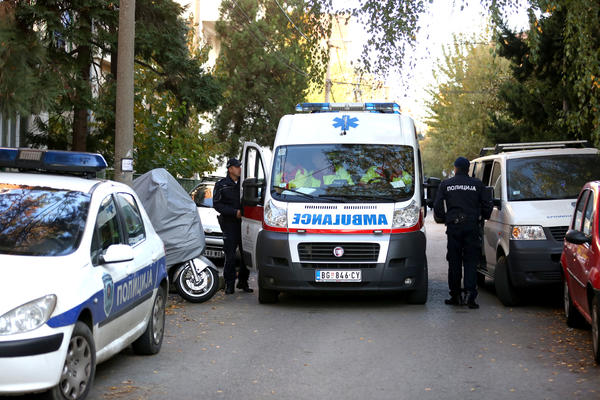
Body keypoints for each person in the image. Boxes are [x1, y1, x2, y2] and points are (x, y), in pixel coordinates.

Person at [433, 156, 492, 309]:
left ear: (455, 168)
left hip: (454, 228)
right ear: (468, 170)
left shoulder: (446, 184)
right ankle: (470, 296)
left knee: (454, 262)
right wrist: (483, 217)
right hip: (472, 227)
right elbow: (487, 205)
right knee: (471, 262)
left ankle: (456, 295)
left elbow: (437, 205)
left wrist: (445, 218)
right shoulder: (477, 184)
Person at [213, 158, 253, 295]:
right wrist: (234, 212)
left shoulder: (245, 184)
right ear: (230, 169)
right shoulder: (222, 185)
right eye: (237, 167)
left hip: (245, 223)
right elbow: (217, 205)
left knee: (245, 254)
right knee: (230, 255)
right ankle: (229, 284)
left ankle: (243, 281)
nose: (239, 169)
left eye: (240, 166)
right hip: (229, 223)